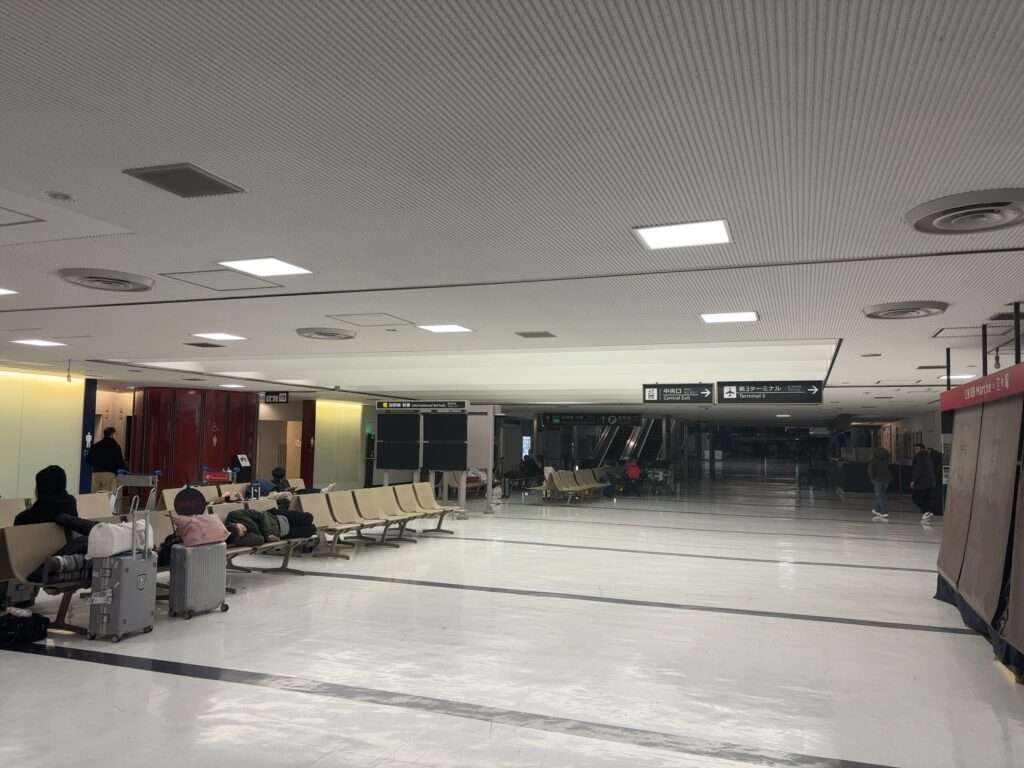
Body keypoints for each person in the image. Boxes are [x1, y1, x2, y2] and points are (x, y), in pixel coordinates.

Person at [223, 499, 315, 548]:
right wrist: (244, 536)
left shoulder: (234, 515)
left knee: (309, 517)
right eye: (243, 533)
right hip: (281, 532)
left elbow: (261, 515)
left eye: (241, 527)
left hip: (275, 516)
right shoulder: (238, 539)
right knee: (311, 529)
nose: (245, 530)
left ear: (233, 524)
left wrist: (267, 534)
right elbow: (260, 540)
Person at [87, 426, 127, 492]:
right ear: (112, 434)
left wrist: (97, 465)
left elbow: (89, 460)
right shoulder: (115, 446)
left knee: (94, 495)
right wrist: (123, 469)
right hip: (109, 474)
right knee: (107, 495)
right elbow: (119, 461)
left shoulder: (96, 445)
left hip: (96, 474)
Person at [910, 442, 936, 522]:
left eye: (917, 449)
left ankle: (927, 511)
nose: (915, 450)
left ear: (921, 449)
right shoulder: (928, 456)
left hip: (922, 482)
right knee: (926, 498)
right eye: (915, 449)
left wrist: (913, 480)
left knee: (916, 497)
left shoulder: (919, 456)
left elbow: (918, 469)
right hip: (930, 481)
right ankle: (927, 512)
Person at [867, 446, 892, 520]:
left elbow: (870, 470)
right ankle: (877, 509)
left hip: (878, 480)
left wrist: (872, 479)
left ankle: (884, 512)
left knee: (880, 495)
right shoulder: (886, 460)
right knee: (882, 495)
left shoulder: (873, 460)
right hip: (887, 479)